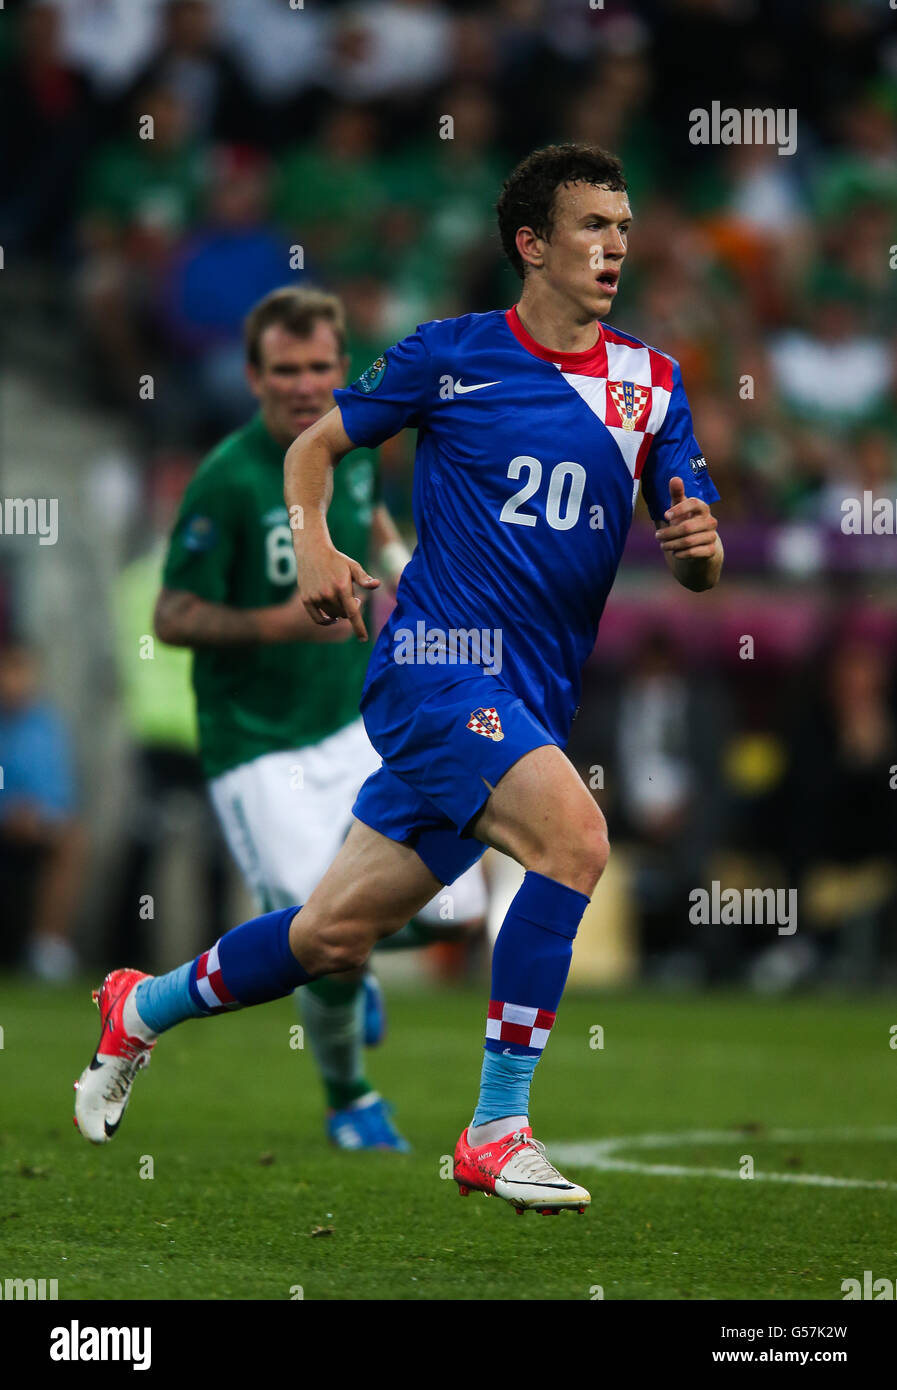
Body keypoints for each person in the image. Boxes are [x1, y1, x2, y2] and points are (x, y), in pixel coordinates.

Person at [74, 143, 723, 1214]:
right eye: (592, 226)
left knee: (331, 933)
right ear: (531, 244)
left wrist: (698, 545)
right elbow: (311, 451)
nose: (616, 245)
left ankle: (140, 1005)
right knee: (575, 838)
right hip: (433, 668)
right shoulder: (447, 356)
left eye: (624, 224)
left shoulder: (653, 385)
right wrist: (319, 546)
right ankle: (497, 1128)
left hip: (527, 697)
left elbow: (697, 560)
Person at [147, 286, 485, 1150]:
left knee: (455, 909)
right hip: (257, 747)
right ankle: (350, 1103)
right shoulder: (225, 482)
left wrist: (401, 563)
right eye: (285, 370)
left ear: (342, 370)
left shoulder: (352, 443)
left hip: (351, 724)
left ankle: (352, 960)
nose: (304, 386)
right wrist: (276, 621)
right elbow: (171, 617)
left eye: (319, 368)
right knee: (318, 938)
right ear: (254, 378)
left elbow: (365, 509)